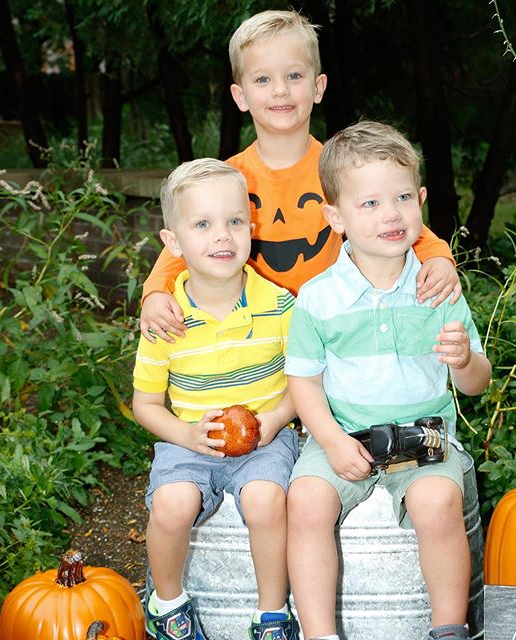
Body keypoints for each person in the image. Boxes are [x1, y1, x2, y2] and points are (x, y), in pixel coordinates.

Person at [284, 121, 492, 640]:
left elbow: (476, 384)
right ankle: (319, 634)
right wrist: (330, 441)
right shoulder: (317, 299)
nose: (391, 214)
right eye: (370, 203)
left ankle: (448, 628)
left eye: (402, 197)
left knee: (438, 502)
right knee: (307, 501)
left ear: (421, 199)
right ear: (336, 216)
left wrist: (464, 359)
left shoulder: (436, 288)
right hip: (344, 431)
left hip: (423, 431)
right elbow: (304, 385)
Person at [139, 9, 461, 345]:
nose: (280, 90)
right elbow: (185, 238)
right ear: (240, 96)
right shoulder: (228, 179)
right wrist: (155, 292)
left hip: (332, 334)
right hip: (254, 338)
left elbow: (395, 217)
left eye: (294, 76)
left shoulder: (342, 170)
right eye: (262, 79)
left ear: (318, 87)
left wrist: (438, 258)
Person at [132, 158, 300, 640]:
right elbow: (146, 405)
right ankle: (167, 604)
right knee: (172, 503)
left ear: (252, 227)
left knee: (267, 499)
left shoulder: (279, 305)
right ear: (174, 242)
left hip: (267, 437)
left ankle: (272, 613)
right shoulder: (165, 320)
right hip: (188, 439)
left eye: (233, 221)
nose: (222, 236)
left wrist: (275, 419)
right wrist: (184, 434)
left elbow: (306, 382)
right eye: (202, 224)